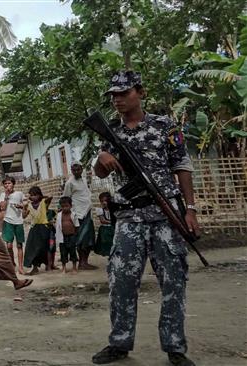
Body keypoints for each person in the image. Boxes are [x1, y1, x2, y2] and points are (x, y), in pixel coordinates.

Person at [91, 71, 200, 366]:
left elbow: (182, 166)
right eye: (113, 95)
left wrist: (190, 209)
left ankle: (175, 347)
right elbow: (100, 172)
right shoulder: (111, 132)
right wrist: (100, 159)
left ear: (140, 92)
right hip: (129, 217)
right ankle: (119, 343)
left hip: (166, 215)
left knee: (173, 281)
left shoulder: (165, 126)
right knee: (122, 281)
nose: (117, 99)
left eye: (123, 93)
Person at [62, 162, 97, 270]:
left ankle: (85, 261)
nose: (76, 172)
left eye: (78, 169)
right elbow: (65, 199)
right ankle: (81, 262)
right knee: (81, 239)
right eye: (74, 170)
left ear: (82, 169)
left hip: (87, 212)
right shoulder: (69, 183)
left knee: (89, 238)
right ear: (71, 170)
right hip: (78, 214)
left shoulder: (84, 180)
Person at [22, 186, 53, 274]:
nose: (33, 197)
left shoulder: (43, 202)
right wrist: (24, 207)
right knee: (32, 248)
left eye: (35, 195)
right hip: (34, 228)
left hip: (44, 227)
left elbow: (50, 197)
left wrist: (42, 196)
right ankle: (34, 267)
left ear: (39, 195)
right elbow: (23, 216)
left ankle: (48, 265)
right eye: (31, 195)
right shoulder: (28, 205)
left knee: (45, 247)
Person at [0, 176, 26, 274]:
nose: (7, 185)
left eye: (9, 183)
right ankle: (12, 263)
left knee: (19, 245)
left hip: (19, 221)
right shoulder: (2, 195)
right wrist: (6, 196)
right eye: (5, 184)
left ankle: (21, 267)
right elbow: (3, 207)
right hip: (8, 221)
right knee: (9, 245)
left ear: (13, 184)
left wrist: (21, 206)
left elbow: (26, 204)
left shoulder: (19, 194)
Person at [55, 196, 79, 274]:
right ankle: (64, 268)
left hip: (71, 236)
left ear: (71, 206)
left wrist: (75, 235)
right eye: (63, 206)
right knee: (63, 253)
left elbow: (77, 226)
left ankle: (74, 268)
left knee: (73, 252)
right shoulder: (59, 215)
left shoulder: (73, 215)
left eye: (66, 206)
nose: (65, 208)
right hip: (63, 237)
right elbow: (58, 226)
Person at [93, 192, 114, 257]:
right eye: (102, 201)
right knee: (105, 243)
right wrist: (113, 222)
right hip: (105, 229)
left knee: (113, 243)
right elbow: (103, 221)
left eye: (106, 201)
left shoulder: (113, 210)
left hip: (113, 228)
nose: (104, 203)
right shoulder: (100, 210)